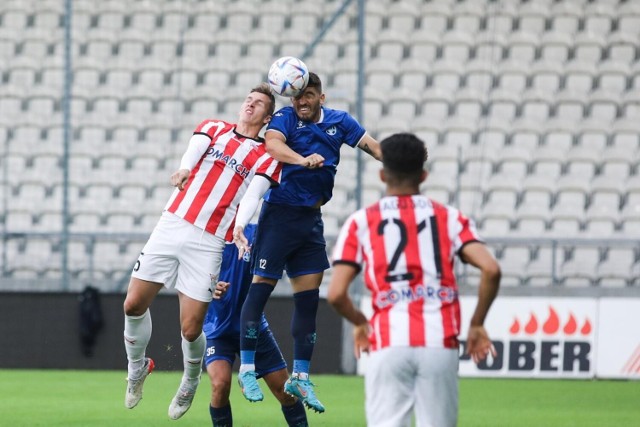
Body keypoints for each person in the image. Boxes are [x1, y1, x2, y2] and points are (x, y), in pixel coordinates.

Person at [122, 83, 289, 420]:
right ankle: (137, 368)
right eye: (248, 100)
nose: (249, 105)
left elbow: (254, 194)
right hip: (173, 223)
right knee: (133, 304)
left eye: (258, 104)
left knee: (190, 329)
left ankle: (190, 379)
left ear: (267, 117)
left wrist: (241, 224)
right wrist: (184, 168)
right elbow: (193, 152)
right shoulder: (214, 127)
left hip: (210, 240)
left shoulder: (267, 157)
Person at [326, 133, 501, 427]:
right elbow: (491, 270)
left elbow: (335, 294)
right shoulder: (449, 217)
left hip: (388, 341)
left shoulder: (361, 221)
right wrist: (477, 323)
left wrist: (360, 322)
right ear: (423, 175)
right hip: (439, 342)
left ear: (382, 175)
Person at [232, 72, 382, 413]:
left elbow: (373, 147)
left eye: (307, 95)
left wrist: (402, 161)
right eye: (296, 96)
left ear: (321, 98)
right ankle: (247, 369)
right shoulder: (284, 119)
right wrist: (301, 160)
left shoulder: (340, 122)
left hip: (310, 221)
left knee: (308, 301)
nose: (300, 101)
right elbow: (272, 145)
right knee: (260, 290)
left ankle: (300, 376)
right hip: (279, 216)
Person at [204, 223, 308, 427]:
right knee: (220, 384)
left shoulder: (255, 232)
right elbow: (186, 271)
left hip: (253, 327)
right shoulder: (207, 232)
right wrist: (207, 286)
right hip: (216, 327)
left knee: (284, 391)